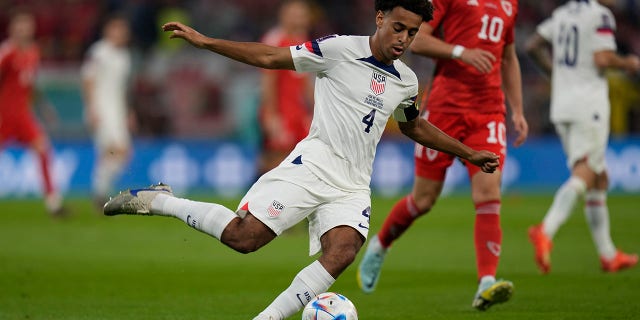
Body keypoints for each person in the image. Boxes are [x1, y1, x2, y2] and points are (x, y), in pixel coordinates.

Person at [104, 1, 501, 319]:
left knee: (343, 250)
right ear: (380, 18)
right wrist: (208, 43)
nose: (404, 39)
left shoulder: (406, 80)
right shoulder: (338, 49)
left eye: (412, 32)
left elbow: (414, 127)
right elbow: (270, 58)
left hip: (352, 185)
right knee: (245, 239)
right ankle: (162, 200)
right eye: (398, 27)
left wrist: (468, 153)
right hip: (312, 166)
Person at [357, 0, 529, 311]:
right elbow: (418, 40)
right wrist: (460, 52)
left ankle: (486, 283)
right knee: (423, 200)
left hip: (488, 111)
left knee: (489, 194)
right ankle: (381, 244)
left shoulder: (510, 4)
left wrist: (517, 109)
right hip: (445, 109)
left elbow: (509, 57)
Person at [525, 0, 639, 274]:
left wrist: (556, 73)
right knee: (586, 172)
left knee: (599, 177)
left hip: (562, 104)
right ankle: (546, 229)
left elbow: (532, 45)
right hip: (589, 105)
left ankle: (608, 255)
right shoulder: (600, 15)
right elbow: (602, 59)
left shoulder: (563, 14)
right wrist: (628, 63)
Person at [0, 12, 65, 216]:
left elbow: (30, 85)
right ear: (12, 29)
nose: (23, 30)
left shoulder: (33, 52)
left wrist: (44, 108)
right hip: (3, 115)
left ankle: (53, 204)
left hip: (22, 116)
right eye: (19, 26)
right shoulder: (7, 53)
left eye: (26, 26)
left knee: (43, 149)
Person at [81, 15, 133, 208]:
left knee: (121, 154)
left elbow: (122, 89)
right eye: (117, 29)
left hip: (117, 112)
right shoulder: (99, 51)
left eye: (123, 29)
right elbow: (87, 80)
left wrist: (128, 113)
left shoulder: (124, 56)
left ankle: (100, 191)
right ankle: (100, 194)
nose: (121, 33)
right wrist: (92, 109)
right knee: (114, 151)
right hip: (102, 110)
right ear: (107, 30)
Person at [258, 0, 314, 176]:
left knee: (299, 159)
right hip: (280, 111)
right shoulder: (275, 40)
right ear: (284, 16)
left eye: (303, 15)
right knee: (276, 160)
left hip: (297, 112)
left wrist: (315, 112)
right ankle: (256, 197)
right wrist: (271, 115)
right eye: (295, 14)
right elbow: (268, 81)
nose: (300, 19)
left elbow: (305, 83)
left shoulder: (302, 42)